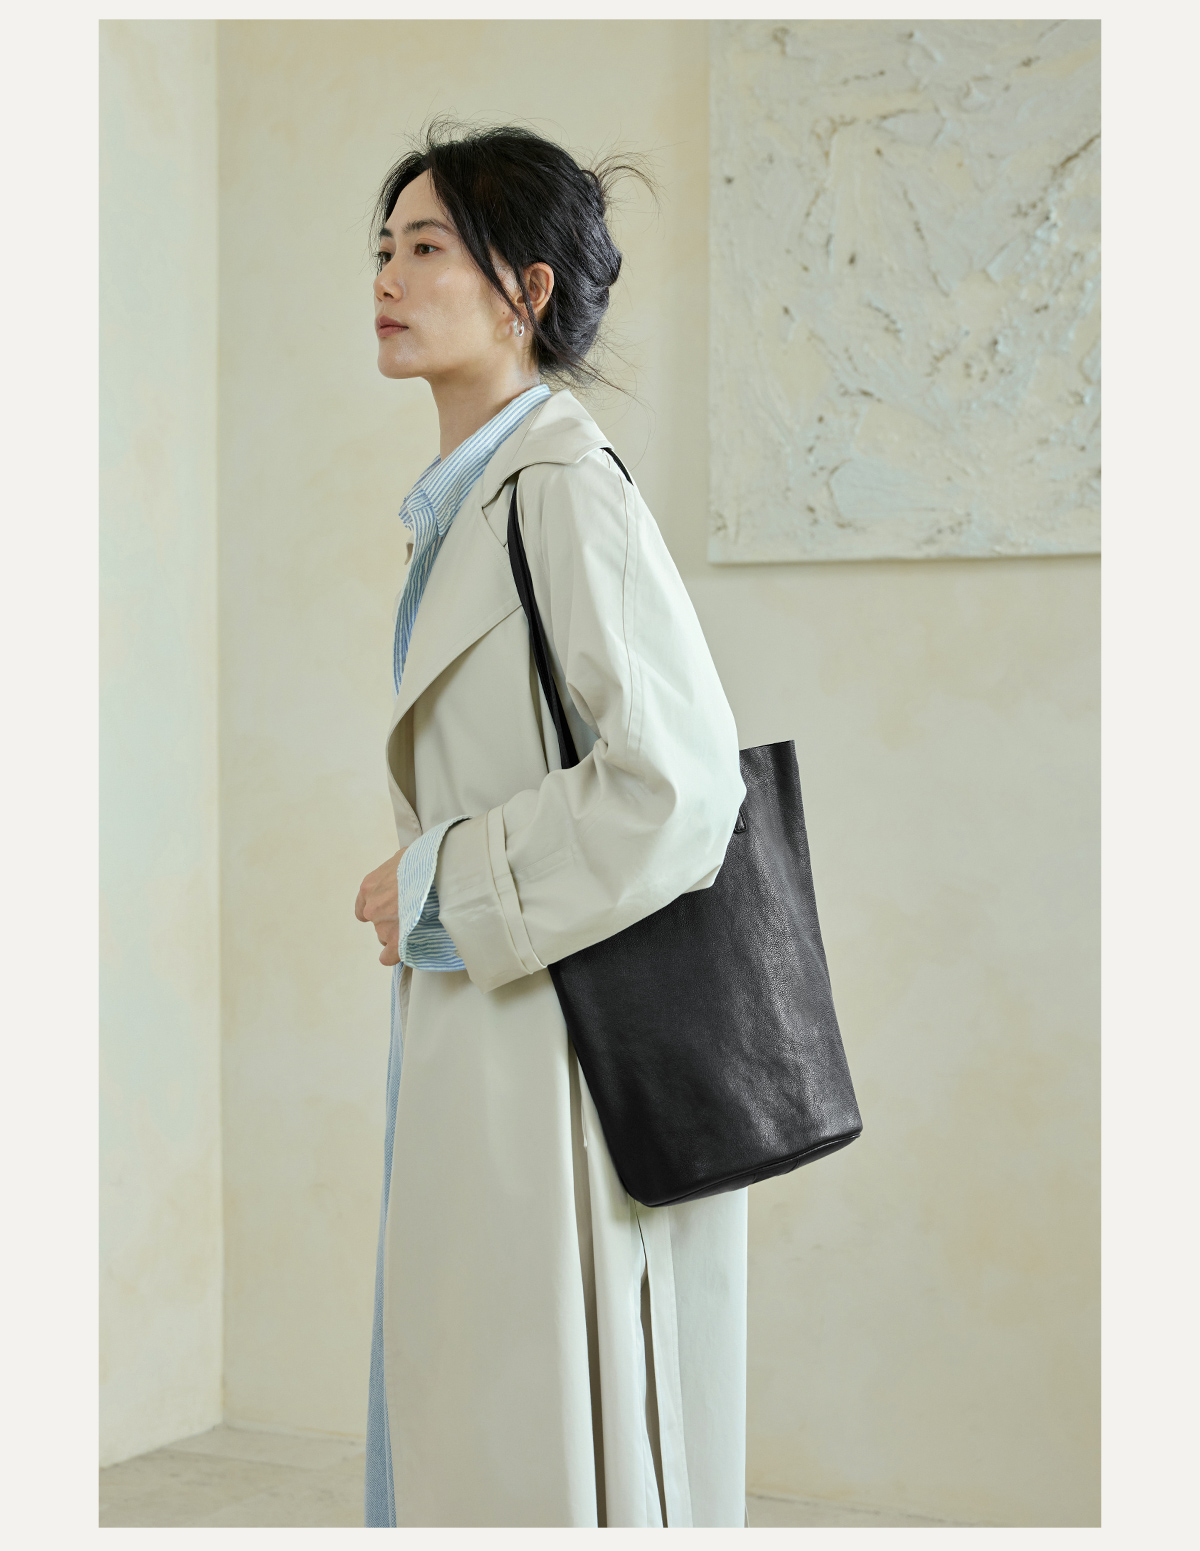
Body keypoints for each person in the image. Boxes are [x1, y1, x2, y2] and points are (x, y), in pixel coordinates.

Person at [354, 122, 748, 1529]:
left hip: (571, 1037)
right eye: (383, 248)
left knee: (542, 1427)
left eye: (428, 247)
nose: (388, 278)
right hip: (511, 1011)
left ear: (526, 290)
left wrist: (441, 884)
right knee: (487, 1407)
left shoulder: (564, 490)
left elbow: (679, 782)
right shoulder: (474, 504)